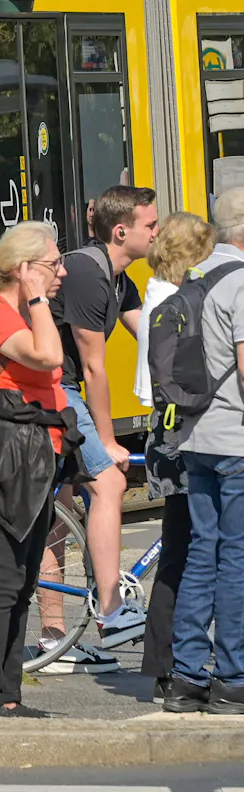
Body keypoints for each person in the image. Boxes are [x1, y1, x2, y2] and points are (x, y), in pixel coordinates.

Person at [0, 223, 70, 717]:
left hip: (37, 455)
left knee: (24, 580)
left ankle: (8, 695)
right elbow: (49, 357)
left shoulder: (19, 313)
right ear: (25, 270)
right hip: (11, 459)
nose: (62, 271)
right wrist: (38, 300)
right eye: (53, 263)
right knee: (4, 579)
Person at [48, 184, 158, 655]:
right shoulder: (88, 275)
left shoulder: (119, 279)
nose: (157, 232)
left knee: (62, 505)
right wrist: (109, 441)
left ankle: (53, 641)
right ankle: (111, 611)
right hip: (51, 388)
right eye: (150, 225)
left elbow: (155, 339)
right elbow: (94, 368)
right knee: (109, 482)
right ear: (121, 230)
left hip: (61, 388)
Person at [165, 186, 244, 712]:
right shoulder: (241, 282)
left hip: (196, 437)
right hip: (237, 440)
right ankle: (234, 676)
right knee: (236, 559)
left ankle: (187, 676)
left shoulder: (193, 275)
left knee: (201, 552)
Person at [137, 211, 216, 697]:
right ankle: (172, 664)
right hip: (183, 436)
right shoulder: (180, 301)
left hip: (164, 436)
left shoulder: (157, 296)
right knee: (191, 551)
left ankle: (165, 662)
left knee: (180, 550)